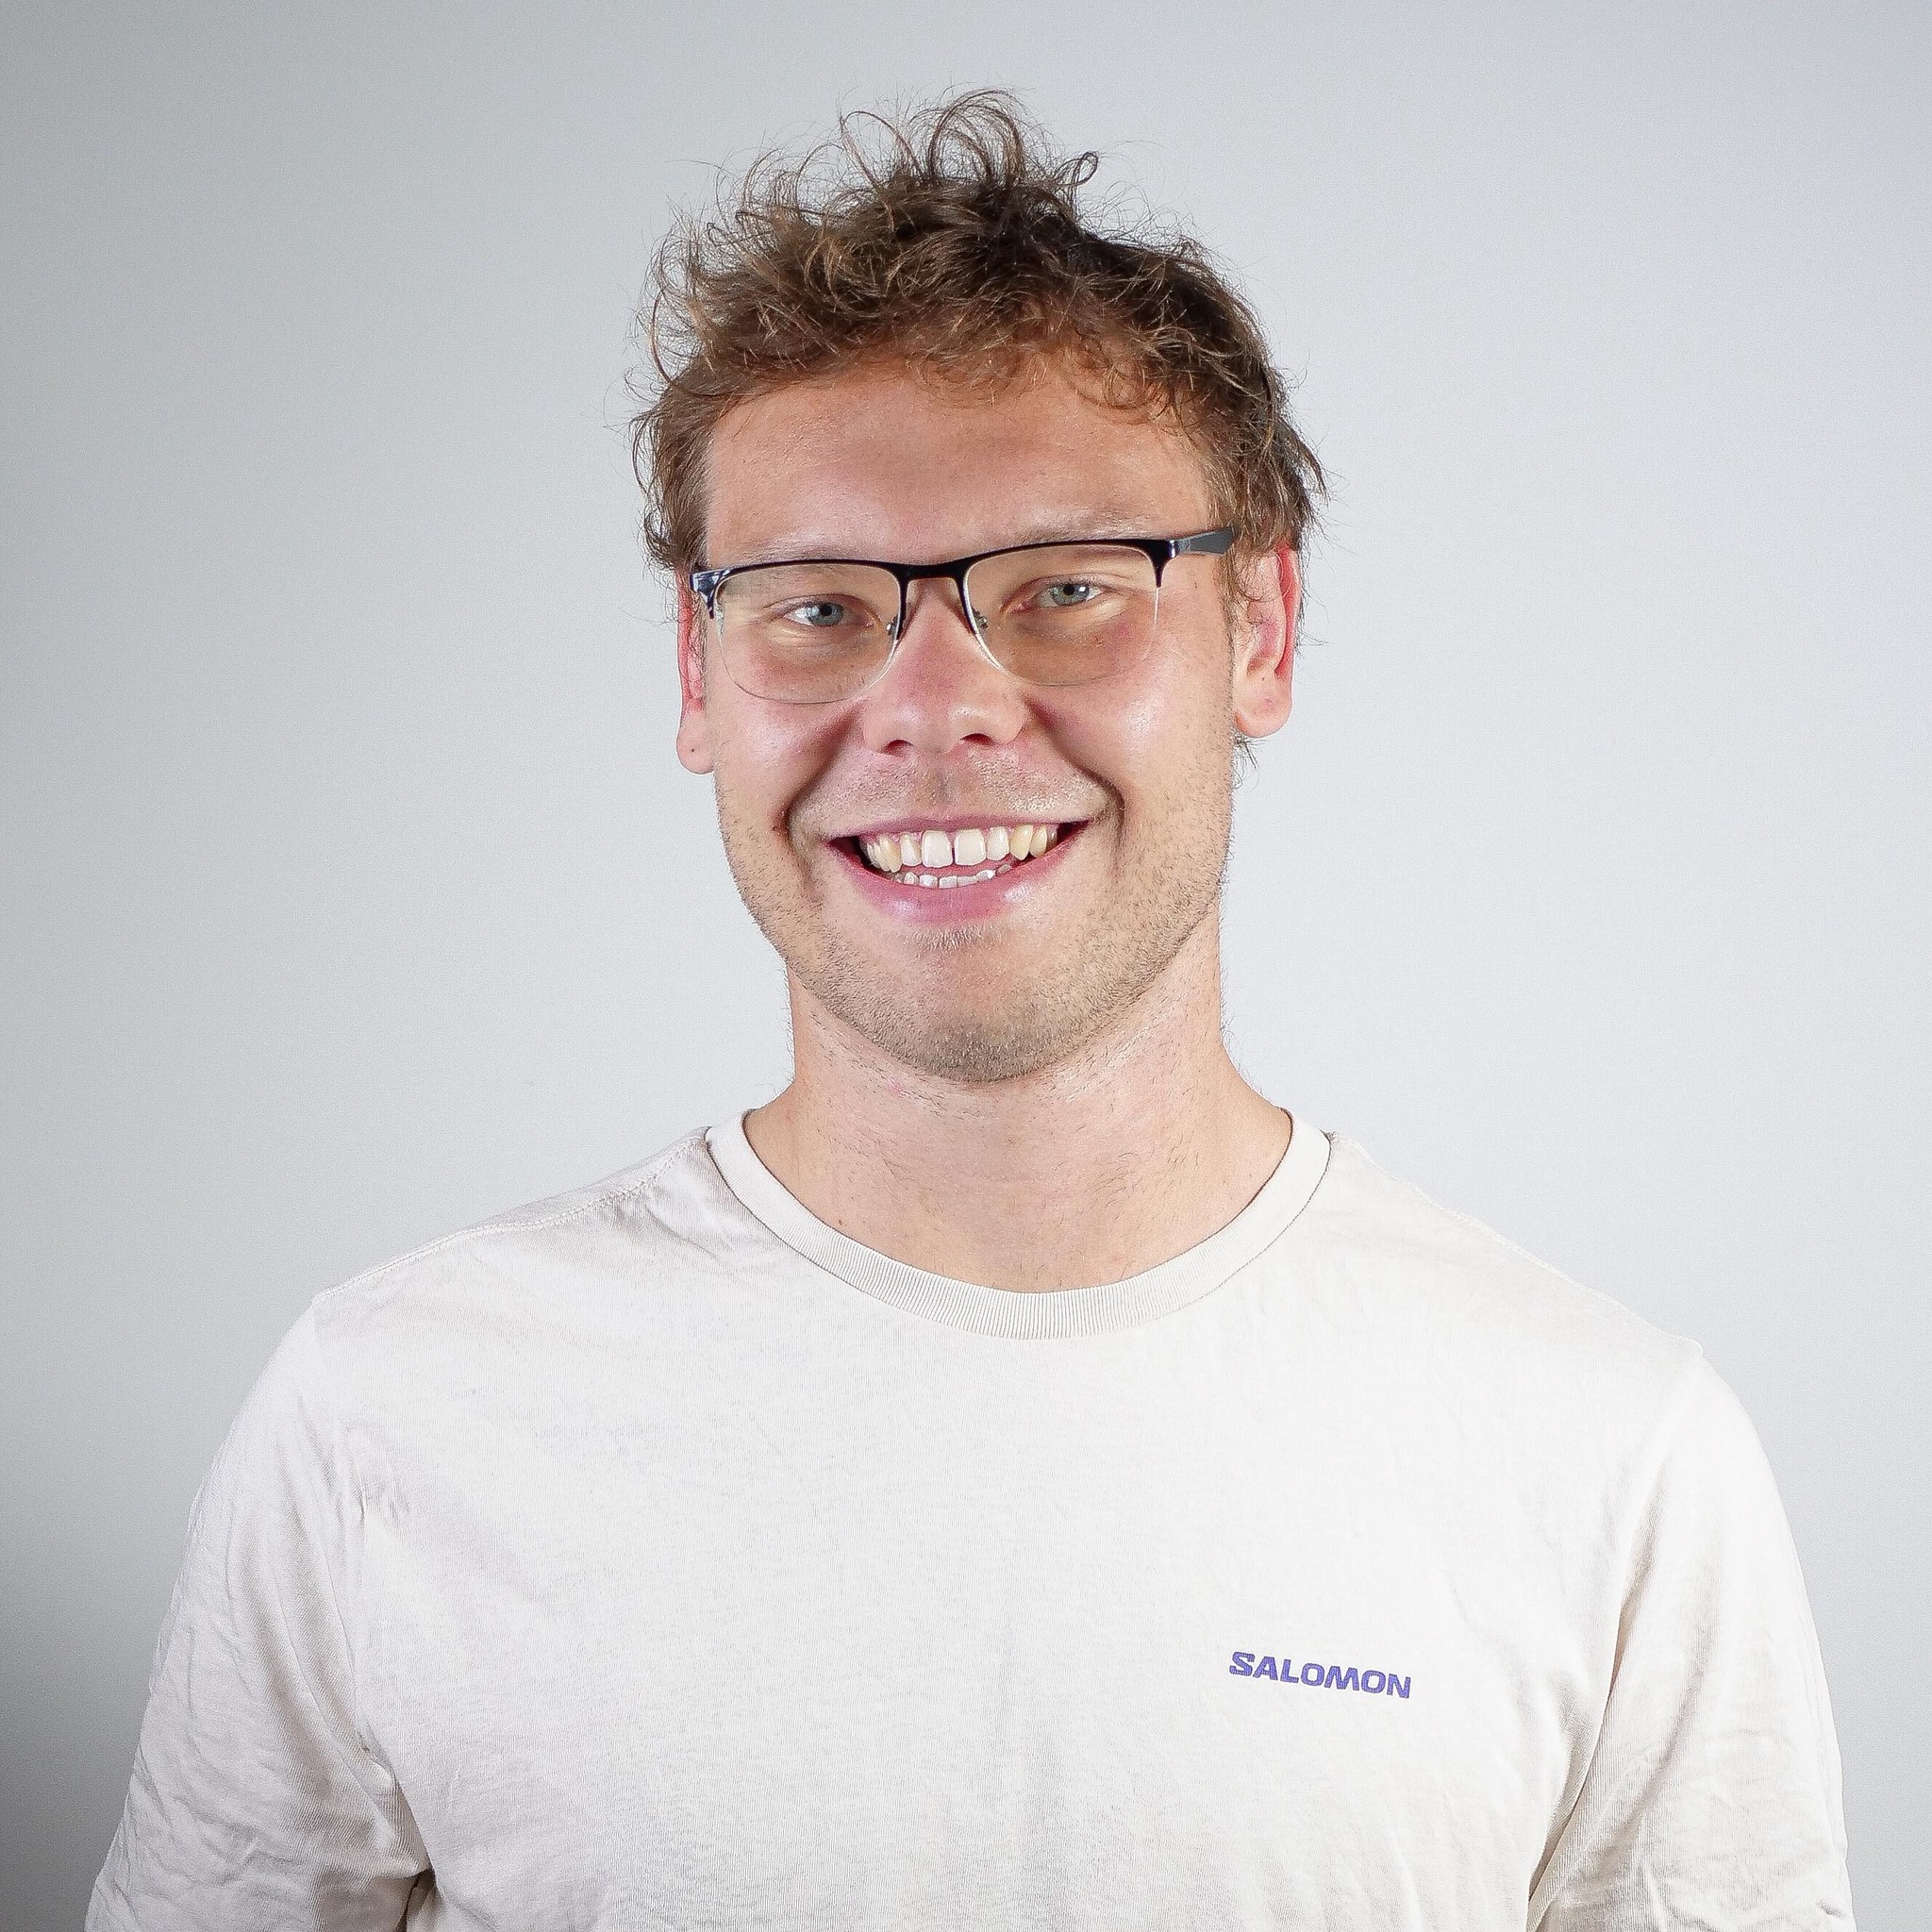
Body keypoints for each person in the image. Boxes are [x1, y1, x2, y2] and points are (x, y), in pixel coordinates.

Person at [90, 92, 1854, 1930]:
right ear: (697, 668)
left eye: (1068, 588)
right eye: (817, 607)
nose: (935, 705)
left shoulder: (1607, 1454)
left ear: (1260, 633)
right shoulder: (389, 1418)